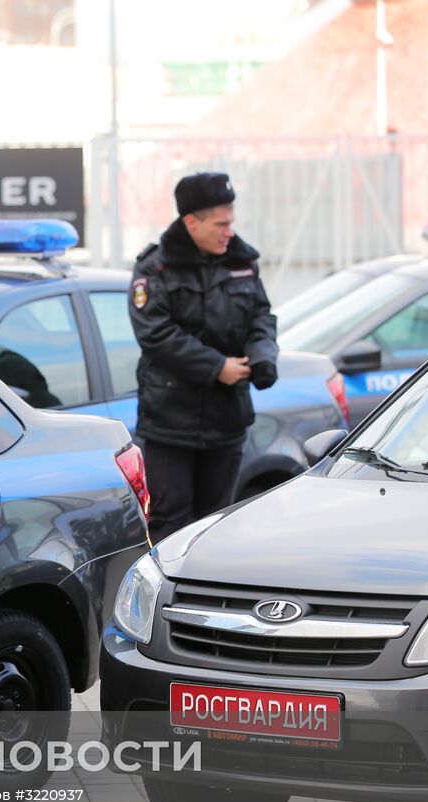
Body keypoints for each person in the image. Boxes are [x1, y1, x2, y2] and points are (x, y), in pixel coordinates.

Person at [128, 172, 279, 541]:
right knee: (171, 525)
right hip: (170, 424)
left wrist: (262, 356)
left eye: (231, 222)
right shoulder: (154, 268)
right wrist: (217, 368)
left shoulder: (243, 261)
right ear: (191, 221)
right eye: (220, 223)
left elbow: (261, 316)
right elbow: (156, 335)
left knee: (217, 525)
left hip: (226, 420)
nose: (229, 231)